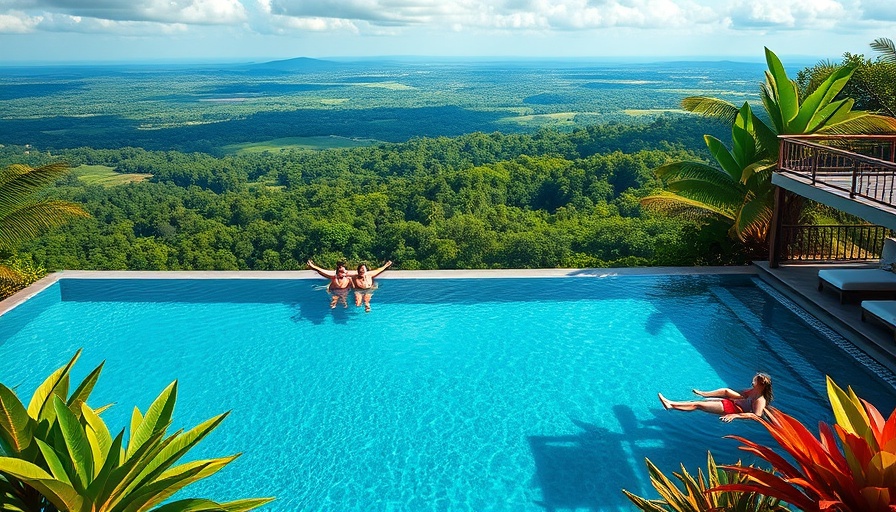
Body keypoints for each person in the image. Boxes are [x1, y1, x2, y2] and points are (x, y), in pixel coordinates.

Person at [657, 373, 773, 422]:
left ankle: (671, 405)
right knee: (700, 401)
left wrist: (735, 415)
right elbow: (742, 396)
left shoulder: (760, 400)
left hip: (732, 409)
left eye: (755, 381)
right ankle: (672, 403)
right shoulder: (753, 391)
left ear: (761, 385)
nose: (752, 382)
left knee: (698, 405)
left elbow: (756, 416)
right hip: (732, 404)